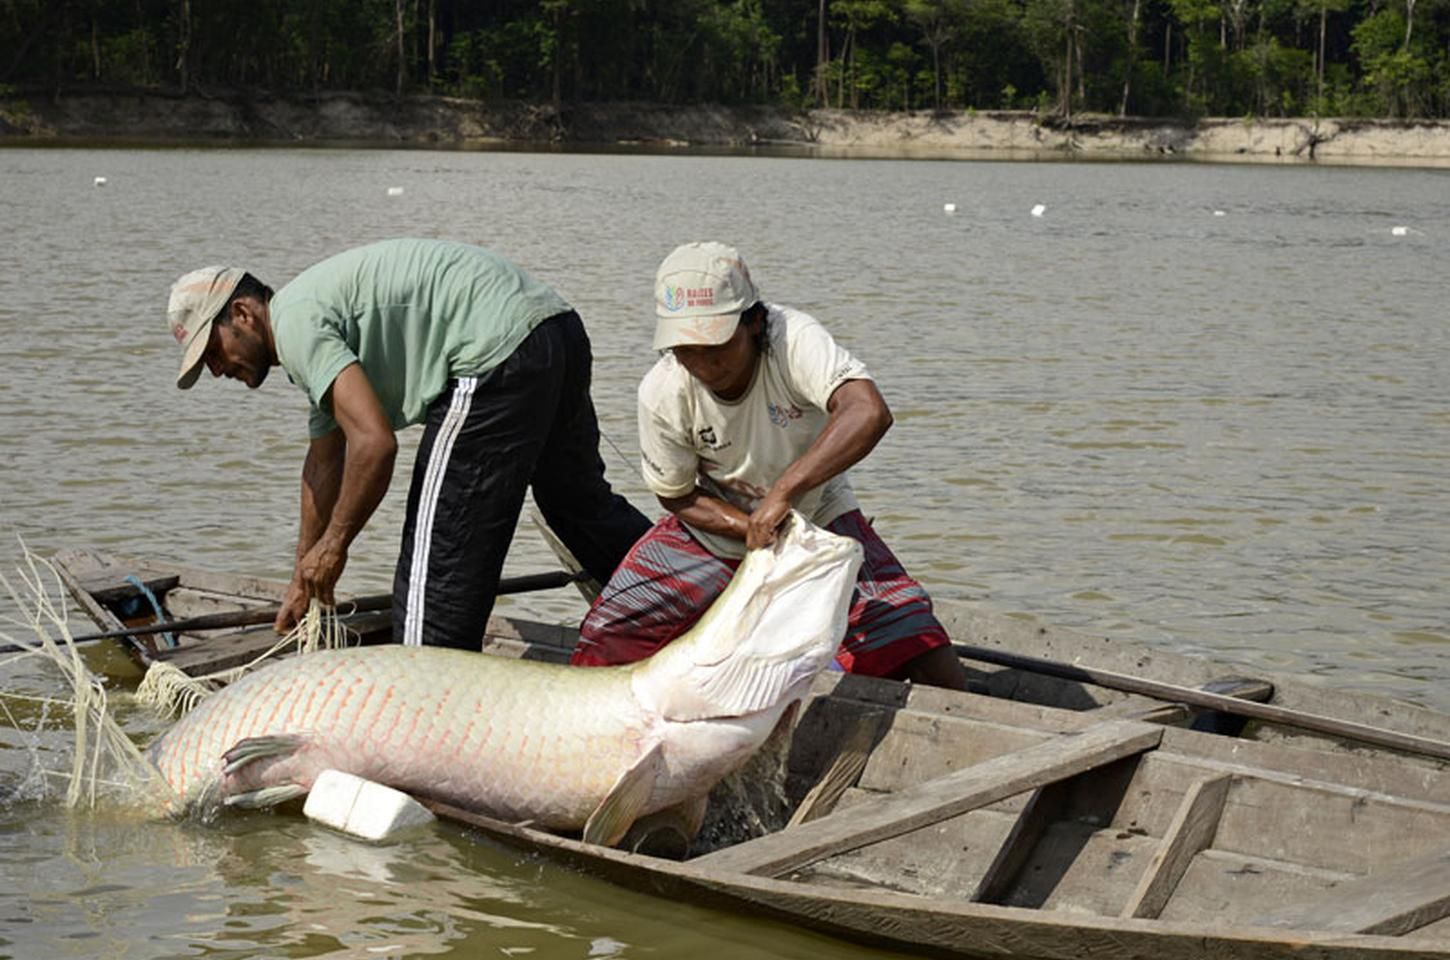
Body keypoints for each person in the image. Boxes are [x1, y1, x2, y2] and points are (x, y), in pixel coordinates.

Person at [166, 238, 650, 649]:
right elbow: (324, 462)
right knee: (578, 505)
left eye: (213, 351)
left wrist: (334, 546)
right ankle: (688, 596)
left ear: (243, 313)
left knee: (436, 572)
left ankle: (427, 707)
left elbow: (374, 445)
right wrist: (301, 576)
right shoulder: (309, 320)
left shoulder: (296, 326)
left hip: (493, 353)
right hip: (555, 328)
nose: (217, 370)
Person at [570, 242, 967, 690]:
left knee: (918, 641)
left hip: (816, 517)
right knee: (605, 636)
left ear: (754, 323)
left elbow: (867, 411)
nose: (702, 364)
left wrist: (783, 495)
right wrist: (749, 527)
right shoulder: (662, 390)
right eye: (685, 349)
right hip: (713, 527)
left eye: (715, 346)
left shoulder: (792, 339)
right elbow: (676, 494)